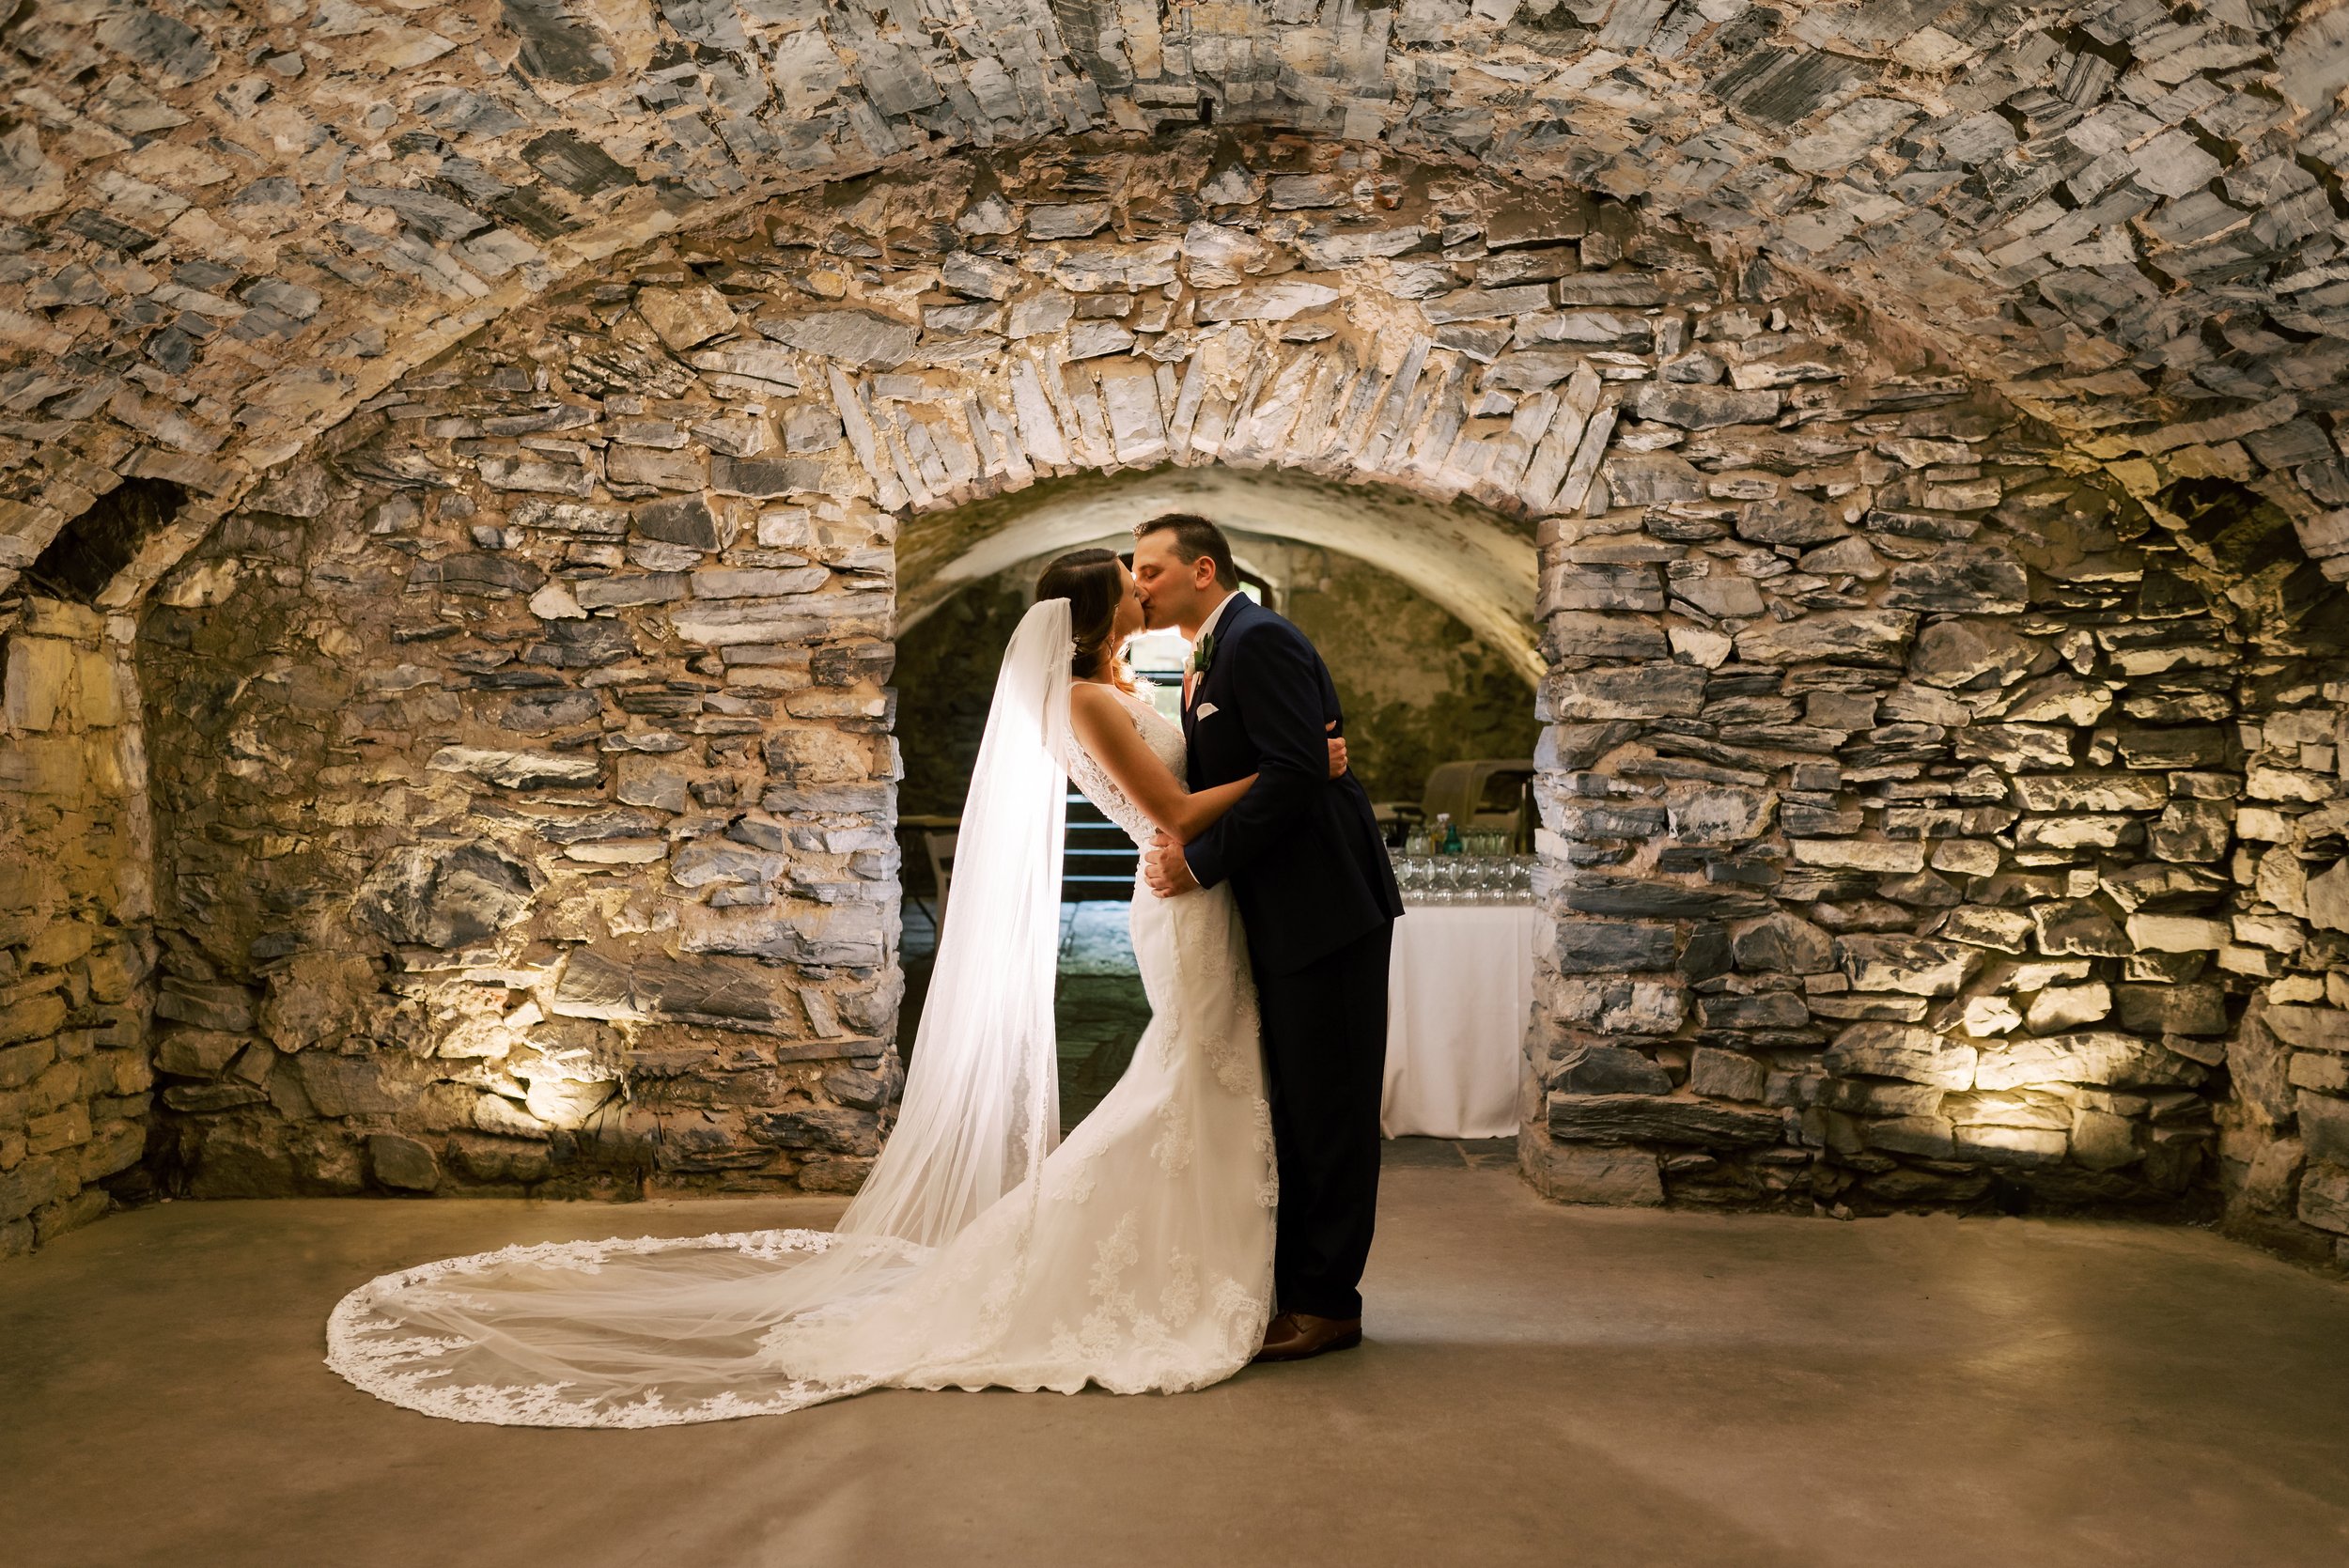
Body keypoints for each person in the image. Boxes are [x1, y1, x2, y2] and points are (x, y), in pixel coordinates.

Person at [323, 548, 1349, 1426]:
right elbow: (1168, 802)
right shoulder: (1083, 698)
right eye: (1128, 579)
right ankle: (1105, 1263)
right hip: (1177, 894)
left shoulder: (1122, 683)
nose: (1141, 585)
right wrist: (1306, 769)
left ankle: (1211, 1262)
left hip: (1199, 894)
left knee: (1207, 1074)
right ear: (1098, 608)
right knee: (1182, 1078)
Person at [1132, 514, 1404, 1363]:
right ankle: (1296, 1284)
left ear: (1202, 568)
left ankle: (1329, 1303)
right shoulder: (1209, 648)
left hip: (1325, 907)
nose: (1137, 584)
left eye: (1149, 569)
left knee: (1332, 1108)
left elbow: (1296, 771)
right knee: (1292, 1101)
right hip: (1280, 908)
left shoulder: (1259, 638)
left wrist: (1201, 863)